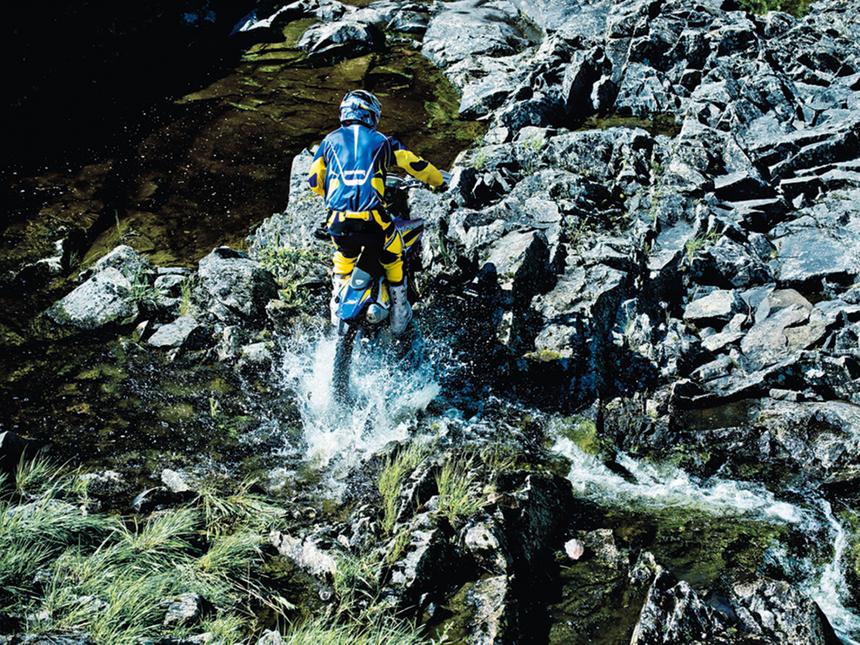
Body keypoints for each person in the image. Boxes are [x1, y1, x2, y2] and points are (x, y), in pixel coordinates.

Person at [306, 89, 445, 335]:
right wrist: (439, 182)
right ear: (370, 115)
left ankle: (336, 302)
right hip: (373, 219)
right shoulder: (383, 141)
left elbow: (314, 180)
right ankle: (400, 312)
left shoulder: (328, 141)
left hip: (337, 220)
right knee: (394, 252)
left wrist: (335, 195)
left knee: (343, 256)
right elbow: (414, 163)